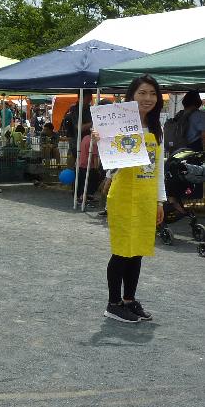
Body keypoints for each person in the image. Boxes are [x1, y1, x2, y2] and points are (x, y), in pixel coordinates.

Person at [93, 75, 165, 323]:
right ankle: (113, 304)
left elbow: (160, 170)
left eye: (152, 94)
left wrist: (159, 201)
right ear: (132, 96)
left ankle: (129, 300)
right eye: (142, 93)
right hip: (123, 195)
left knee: (138, 251)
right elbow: (110, 167)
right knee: (123, 250)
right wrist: (101, 142)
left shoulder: (157, 128)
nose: (147, 98)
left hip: (146, 195)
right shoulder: (116, 125)